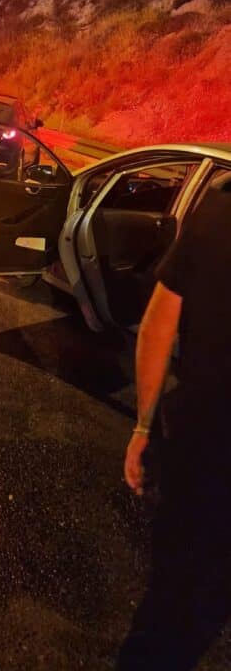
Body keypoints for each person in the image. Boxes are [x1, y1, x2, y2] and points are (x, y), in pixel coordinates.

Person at [116, 180, 231, 670]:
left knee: (171, 610)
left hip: (202, 451)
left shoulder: (218, 208)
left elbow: (158, 324)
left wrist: (144, 427)